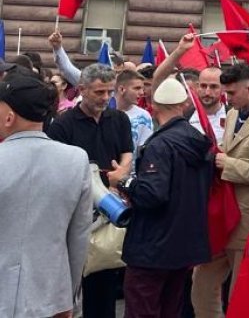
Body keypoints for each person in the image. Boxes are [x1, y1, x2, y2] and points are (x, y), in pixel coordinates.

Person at [113, 78, 213, 318]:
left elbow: (152, 194)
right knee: (171, 309)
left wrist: (123, 181)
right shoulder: (198, 140)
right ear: (184, 104)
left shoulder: (160, 145)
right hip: (183, 244)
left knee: (142, 309)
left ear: (153, 107)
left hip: (152, 246)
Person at [0, 71, 92, 318]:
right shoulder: (76, 159)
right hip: (52, 294)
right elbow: (79, 238)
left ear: (9, 117)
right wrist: (70, 294)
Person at [47, 63, 133, 318]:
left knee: (104, 279)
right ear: (82, 90)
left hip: (111, 210)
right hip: (76, 211)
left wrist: (122, 173)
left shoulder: (119, 118)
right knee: (71, 280)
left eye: (109, 92)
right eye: (99, 92)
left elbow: (127, 151)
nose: (106, 98)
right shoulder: (63, 125)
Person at [192, 63, 249, 318]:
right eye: (225, 93)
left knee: (240, 292)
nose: (225, 98)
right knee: (201, 286)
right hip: (221, 215)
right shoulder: (231, 114)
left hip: (247, 218)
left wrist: (227, 164)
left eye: (231, 93)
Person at [115, 70, 154, 157]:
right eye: (137, 88)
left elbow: (144, 151)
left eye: (142, 89)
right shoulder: (103, 111)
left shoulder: (143, 116)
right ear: (121, 89)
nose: (141, 93)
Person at [190, 66, 226, 145]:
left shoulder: (233, 116)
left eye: (213, 87)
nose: (207, 92)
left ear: (223, 89)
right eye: (203, 86)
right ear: (197, 87)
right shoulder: (186, 116)